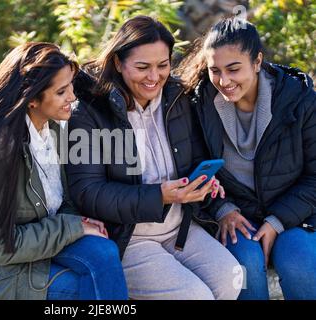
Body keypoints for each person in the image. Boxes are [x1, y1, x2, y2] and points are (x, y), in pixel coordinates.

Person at [66, 16, 242, 300]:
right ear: (118, 64)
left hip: (180, 229)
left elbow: (194, 157)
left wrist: (203, 185)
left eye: (163, 65)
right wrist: (159, 196)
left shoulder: (176, 97)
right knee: (194, 296)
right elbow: (87, 192)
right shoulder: (88, 110)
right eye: (142, 67)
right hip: (127, 238)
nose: (154, 77)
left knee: (231, 279)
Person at [0, 42, 128, 300]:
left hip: (35, 243)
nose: (72, 97)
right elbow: (0, 247)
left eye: (70, 86)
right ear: (32, 99)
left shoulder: (53, 130)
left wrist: (78, 222)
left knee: (105, 252)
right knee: (85, 288)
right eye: (61, 92)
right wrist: (72, 227)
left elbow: (61, 200)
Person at [177, 17, 316, 300]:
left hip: (294, 214)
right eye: (215, 70)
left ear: (257, 62)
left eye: (234, 69)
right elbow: (193, 168)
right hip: (235, 216)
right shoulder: (198, 103)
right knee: (245, 266)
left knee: (298, 261)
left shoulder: (299, 100)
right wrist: (222, 208)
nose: (224, 81)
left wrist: (277, 221)